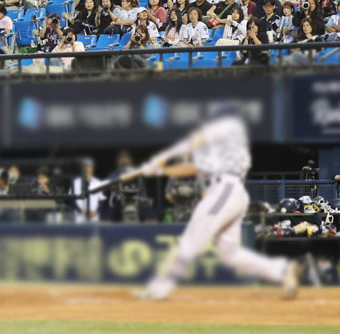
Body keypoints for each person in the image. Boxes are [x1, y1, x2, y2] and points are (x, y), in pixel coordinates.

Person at [123, 104, 301, 300]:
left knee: (190, 241)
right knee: (229, 253)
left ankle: (158, 289)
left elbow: (191, 160)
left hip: (223, 192)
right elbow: (190, 149)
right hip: (234, 194)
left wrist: (158, 167)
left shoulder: (222, 133)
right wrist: (160, 162)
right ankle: (282, 270)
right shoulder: (233, 142)